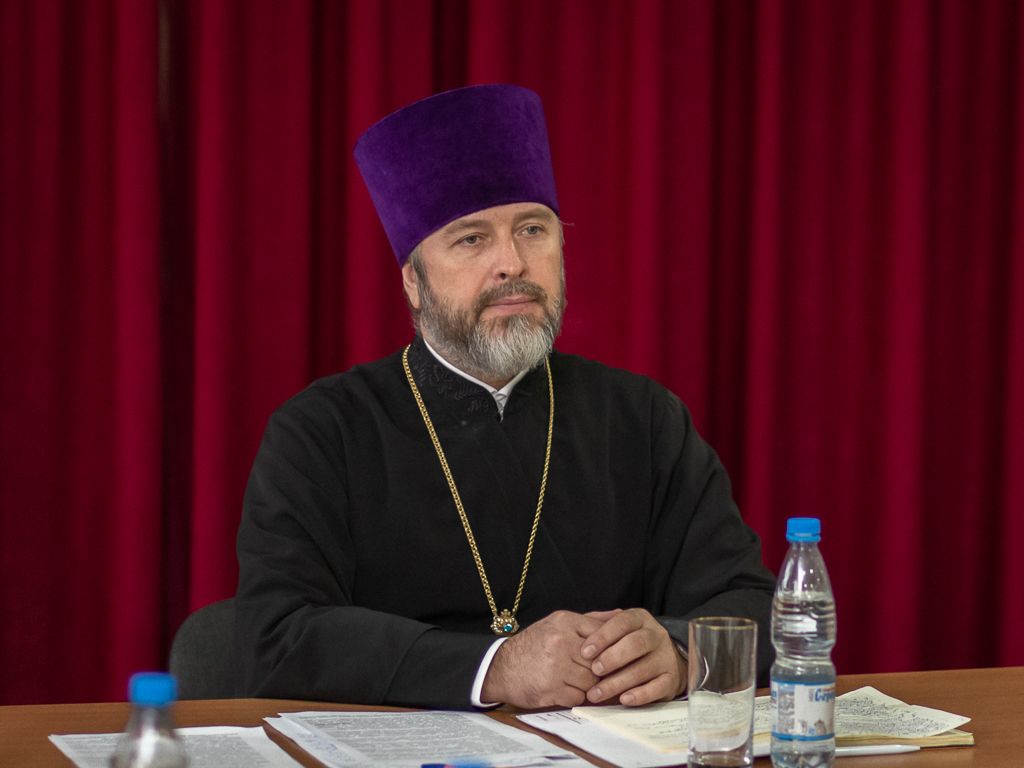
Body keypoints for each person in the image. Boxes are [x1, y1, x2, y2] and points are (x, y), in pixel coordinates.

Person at [234, 84, 775, 710]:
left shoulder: (643, 419)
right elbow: (276, 638)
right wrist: (494, 668)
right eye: (472, 239)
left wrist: (681, 653)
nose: (513, 263)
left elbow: (754, 603)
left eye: (533, 229)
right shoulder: (322, 431)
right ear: (413, 281)